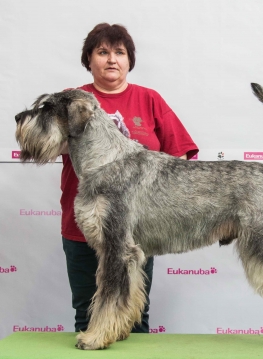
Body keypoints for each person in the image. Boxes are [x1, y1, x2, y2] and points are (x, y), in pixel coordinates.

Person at [61, 23, 198, 333]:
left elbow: (181, 159)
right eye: (103, 52)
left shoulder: (149, 99)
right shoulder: (72, 101)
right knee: (86, 313)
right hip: (81, 224)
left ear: (129, 61)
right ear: (89, 59)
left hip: (136, 227)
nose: (112, 59)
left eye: (119, 53)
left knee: (135, 316)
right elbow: (43, 144)